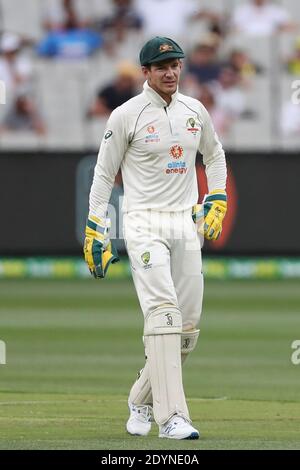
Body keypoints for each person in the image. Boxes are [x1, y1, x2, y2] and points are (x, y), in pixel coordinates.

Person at [83, 36, 227, 440]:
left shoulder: (195, 110)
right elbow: (102, 173)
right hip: (143, 222)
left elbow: (214, 156)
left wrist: (216, 195)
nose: (170, 72)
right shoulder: (125, 115)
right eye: (161, 67)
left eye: (176, 65)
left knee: (187, 330)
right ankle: (172, 418)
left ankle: (140, 398)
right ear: (145, 72)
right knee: (163, 313)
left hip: (185, 223)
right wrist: (97, 226)